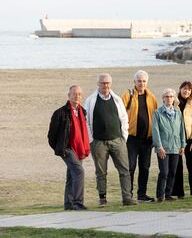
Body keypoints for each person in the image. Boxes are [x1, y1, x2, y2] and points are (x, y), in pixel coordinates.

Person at [84, 73, 137, 206]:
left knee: (124, 170)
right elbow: (86, 122)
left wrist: (123, 137)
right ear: (98, 84)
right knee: (101, 172)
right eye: (102, 83)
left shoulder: (117, 99)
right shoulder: (91, 100)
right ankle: (102, 198)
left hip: (117, 141)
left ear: (110, 84)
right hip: (98, 142)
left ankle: (127, 198)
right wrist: (91, 140)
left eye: (107, 83)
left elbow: (124, 119)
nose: (105, 85)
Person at [48, 85, 90, 211]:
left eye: (79, 94)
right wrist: (60, 149)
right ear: (69, 95)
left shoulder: (82, 111)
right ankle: (78, 202)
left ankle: (68, 203)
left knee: (72, 175)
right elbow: (51, 135)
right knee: (79, 172)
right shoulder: (60, 113)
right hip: (67, 149)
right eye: (74, 94)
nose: (77, 96)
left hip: (79, 148)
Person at [121, 70, 157, 203]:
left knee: (145, 167)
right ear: (134, 82)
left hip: (147, 139)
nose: (141, 83)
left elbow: (156, 118)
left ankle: (142, 194)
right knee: (130, 166)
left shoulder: (152, 97)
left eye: (144, 81)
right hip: (131, 139)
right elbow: (120, 115)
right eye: (139, 81)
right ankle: (128, 195)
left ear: (147, 82)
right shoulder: (127, 95)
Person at [152, 88, 186, 202]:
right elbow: (155, 131)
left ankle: (168, 194)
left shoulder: (178, 112)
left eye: (171, 96)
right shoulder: (158, 113)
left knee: (172, 172)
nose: (169, 98)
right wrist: (159, 147)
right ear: (163, 98)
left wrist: (182, 145)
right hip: (163, 148)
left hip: (176, 146)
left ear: (174, 98)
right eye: (166, 96)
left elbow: (182, 130)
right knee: (164, 172)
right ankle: (160, 195)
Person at [172, 81, 192, 199]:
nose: (187, 91)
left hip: (189, 139)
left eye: (189, 90)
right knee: (177, 166)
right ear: (180, 89)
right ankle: (178, 192)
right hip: (176, 139)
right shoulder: (174, 102)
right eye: (185, 88)